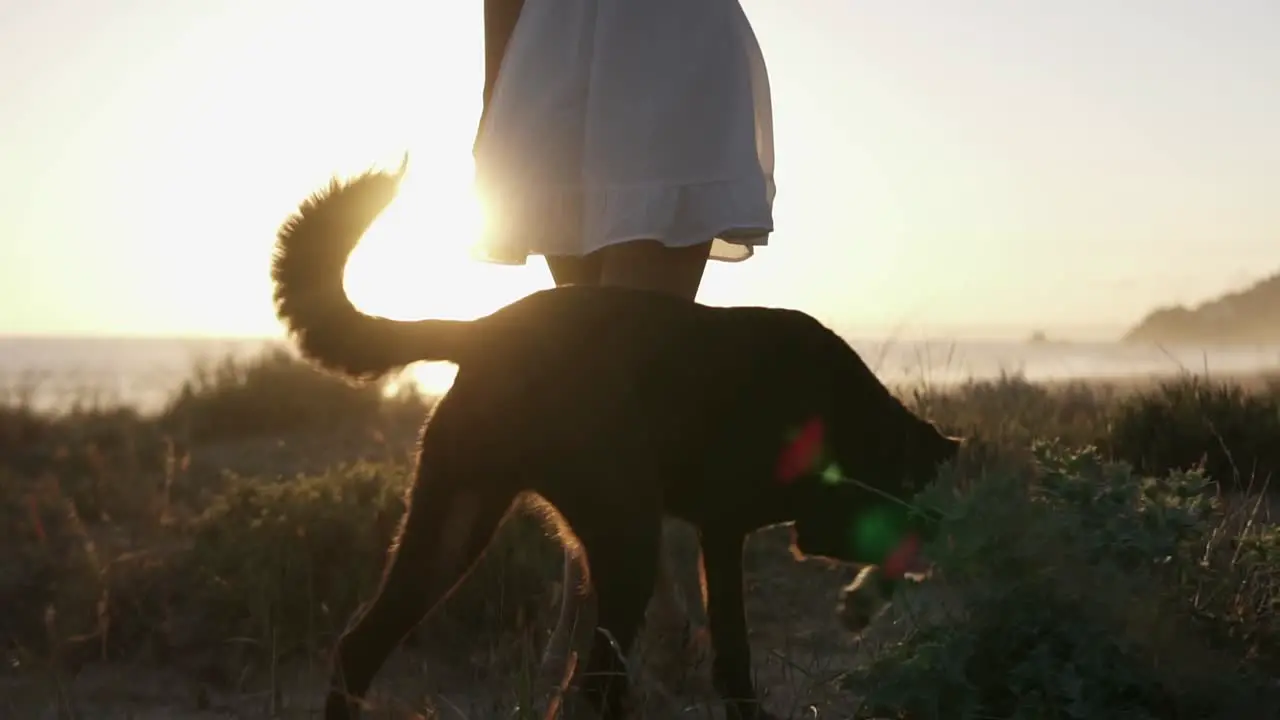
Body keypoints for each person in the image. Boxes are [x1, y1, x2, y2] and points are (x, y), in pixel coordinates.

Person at [474, 0, 777, 693]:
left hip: (666, 49)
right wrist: (497, 92)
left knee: (621, 381)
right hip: (552, 56)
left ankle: (581, 642)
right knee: (588, 380)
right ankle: (654, 613)